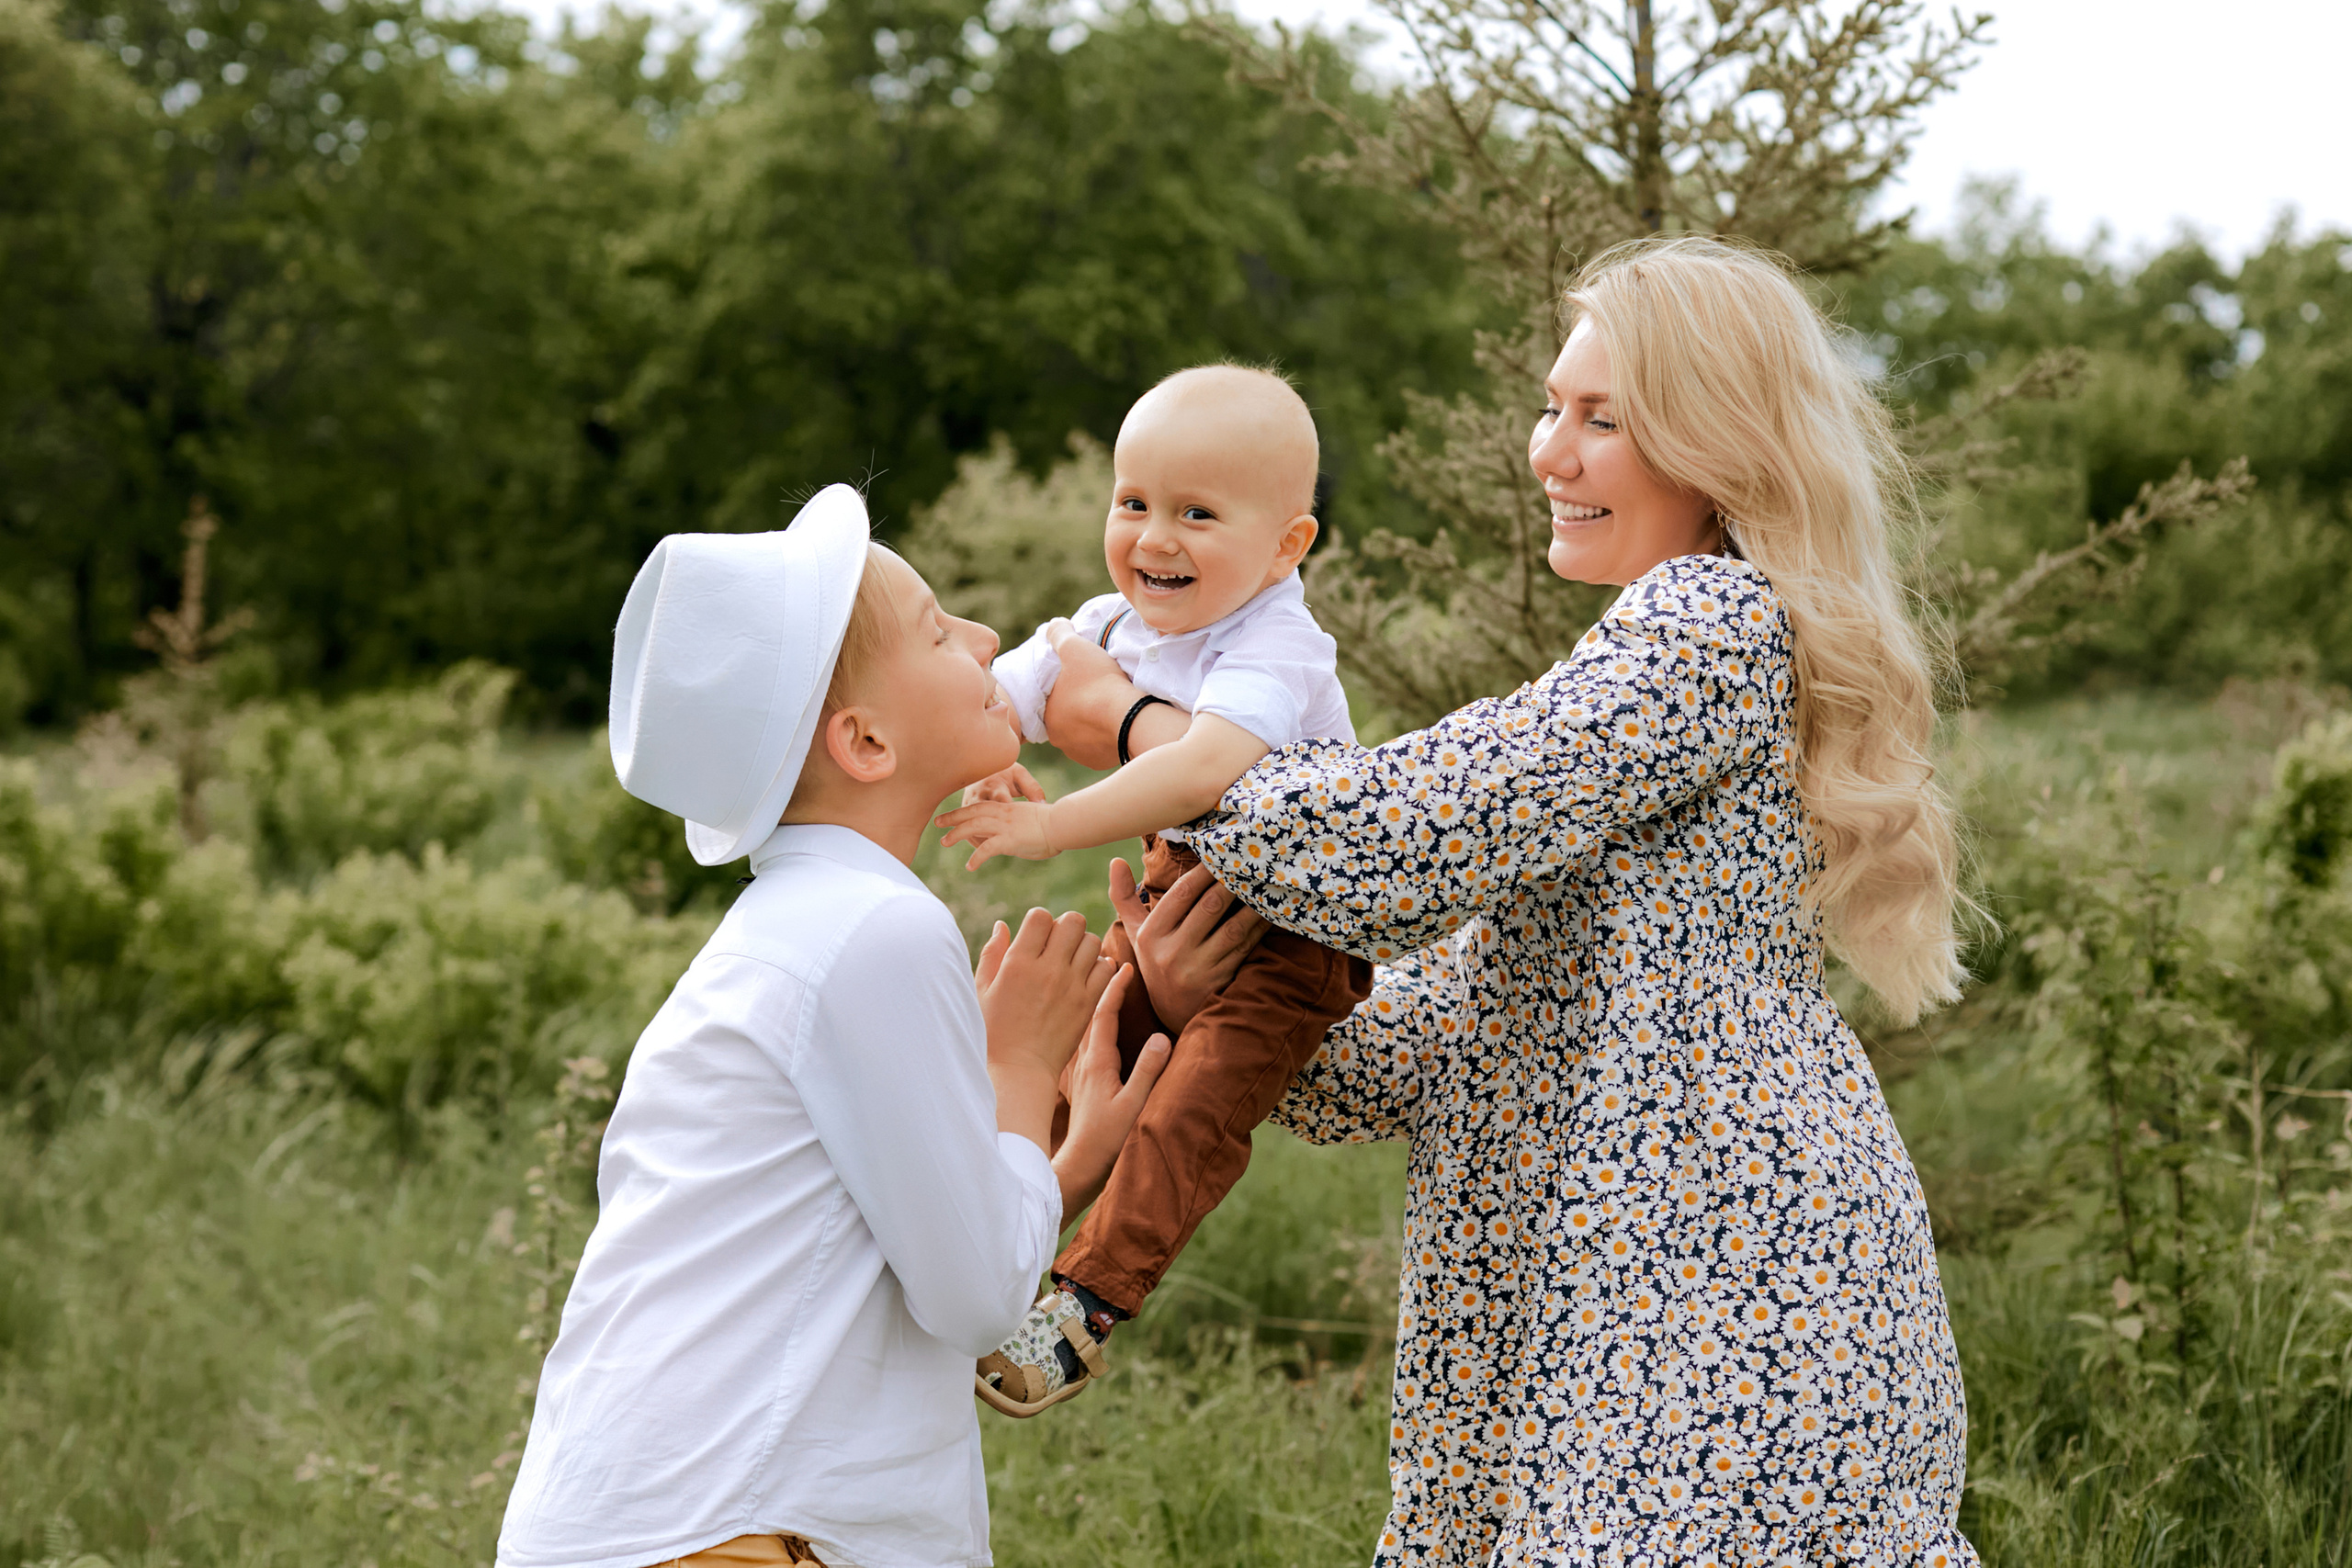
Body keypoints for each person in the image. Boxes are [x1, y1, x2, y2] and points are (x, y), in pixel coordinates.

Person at [1037, 239, 1982, 1567]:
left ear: (1714, 443)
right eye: (1553, 406)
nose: (1551, 449)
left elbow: (1399, 844)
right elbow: (1424, 1049)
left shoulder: (1710, 625)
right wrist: (1210, 996)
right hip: (1593, 1306)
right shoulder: (1644, 656)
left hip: (1716, 1287)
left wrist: (1138, 723)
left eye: (1604, 418)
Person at [496, 487, 1168, 1568]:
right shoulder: (873, 933)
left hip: (669, 1523)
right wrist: (1031, 1084)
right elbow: (976, 1295)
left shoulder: (800, 928)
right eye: (940, 630)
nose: (991, 639)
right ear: (861, 740)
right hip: (730, 1537)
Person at [934, 364, 1374, 1416]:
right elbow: (1000, 698)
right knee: (1078, 1057)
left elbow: (1199, 770)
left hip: (1294, 936)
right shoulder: (1109, 626)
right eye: (1132, 502)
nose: (1154, 539)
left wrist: (1045, 823)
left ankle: (1085, 1308)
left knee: (1188, 1110)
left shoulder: (1275, 642)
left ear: (1286, 545)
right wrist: (981, 750)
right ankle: (979, 1254)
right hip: (1182, 896)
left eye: (1197, 513)